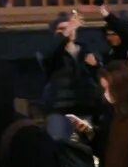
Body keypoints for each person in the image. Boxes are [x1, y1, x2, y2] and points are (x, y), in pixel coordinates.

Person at [41, 10, 104, 142]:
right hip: (59, 110)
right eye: (62, 29)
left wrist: (95, 65)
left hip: (85, 108)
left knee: (86, 147)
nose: (69, 30)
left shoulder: (86, 50)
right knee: (60, 147)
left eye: (70, 27)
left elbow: (98, 76)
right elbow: (49, 59)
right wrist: (66, 32)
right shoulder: (51, 53)